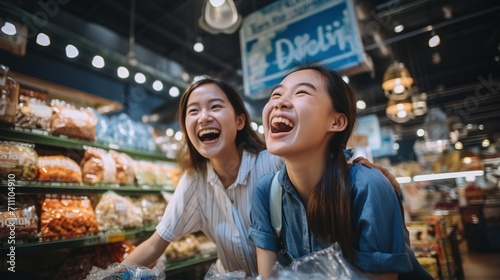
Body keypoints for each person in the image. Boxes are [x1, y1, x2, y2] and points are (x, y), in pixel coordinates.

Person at [121, 76, 402, 276]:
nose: (203, 117)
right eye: (193, 111)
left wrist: (356, 166)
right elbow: (156, 243)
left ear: (240, 120)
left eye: (215, 106)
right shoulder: (195, 182)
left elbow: (314, 152)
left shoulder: (272, 164)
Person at [249, 64, 432, 280]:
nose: (279, 102)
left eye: (301, 92)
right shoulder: (265, 192)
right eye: (276, 94)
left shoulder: (368, 187)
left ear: (336, 121)